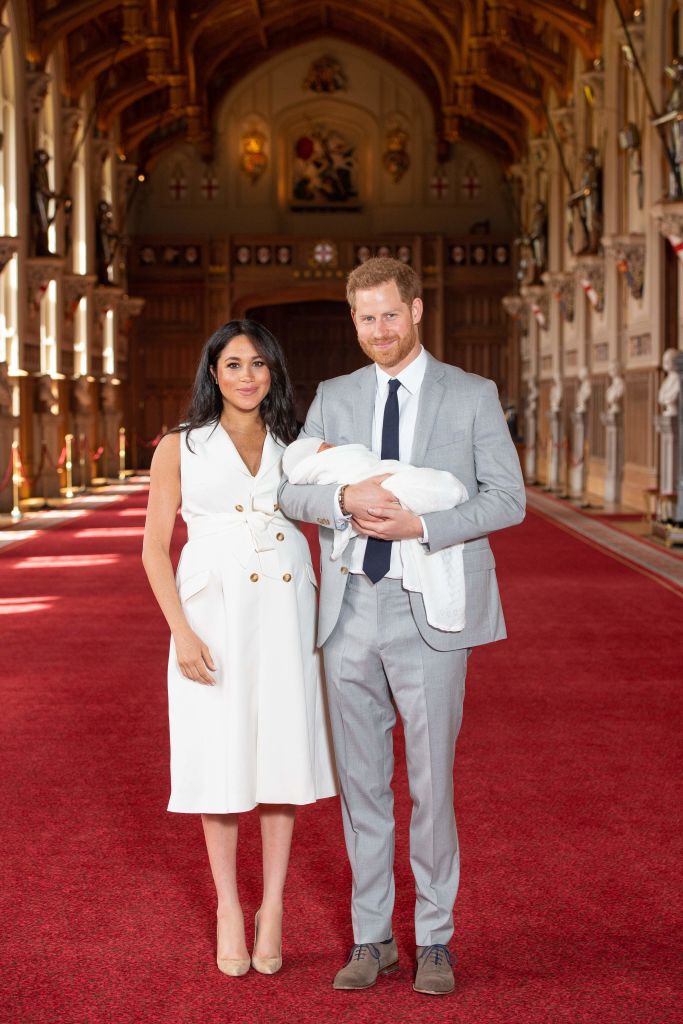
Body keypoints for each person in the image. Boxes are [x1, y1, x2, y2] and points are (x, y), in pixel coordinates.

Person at [279, 257, 526, 996]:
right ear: (353, 321)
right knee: (361, 786)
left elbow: (507, 498)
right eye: (366, 318)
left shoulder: (471, 394)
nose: (379, 329)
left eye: (390, 314)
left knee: (430, 784)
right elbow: (291, 491)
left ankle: (435, 940)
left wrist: (423, 524)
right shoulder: (334, 395)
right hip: (349, 609)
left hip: (430, 610)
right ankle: (373, 937)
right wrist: (341, 500)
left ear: (416, 311)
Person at [142, 320, 337, 979]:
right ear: (213, 373)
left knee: (281, 754)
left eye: (258, 364)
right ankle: (229, 904)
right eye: (233, 364)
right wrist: (181, 631)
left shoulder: (296, 444)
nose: (247, 376)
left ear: (273, 372)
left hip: (287, 608)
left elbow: (339, 497)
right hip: (213, 614)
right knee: (220, 756)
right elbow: (153, 548)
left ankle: (273, 906)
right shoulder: (180, 445)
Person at [282, 436, 469, 631]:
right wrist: (345, 498)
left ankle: (446, 490)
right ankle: (445, 491)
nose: (334, 447)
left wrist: (420, 526)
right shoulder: (319, 448)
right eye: (327, 447)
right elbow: (287, 495)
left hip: (417, 584)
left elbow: (494, 500)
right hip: (349, 595)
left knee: (423, 486)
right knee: (420, 488)